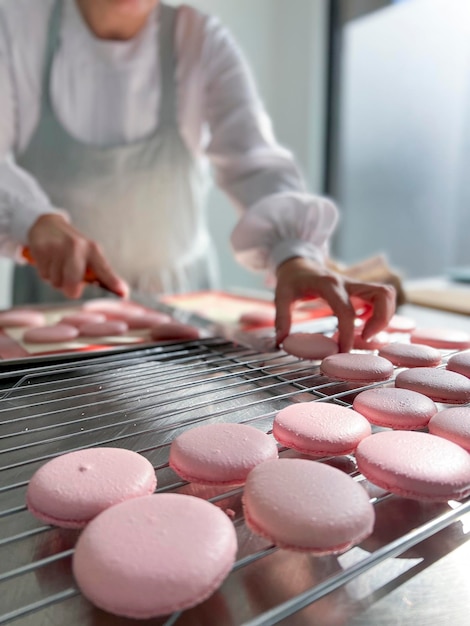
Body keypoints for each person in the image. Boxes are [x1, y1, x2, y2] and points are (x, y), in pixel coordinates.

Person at [0, 0, 396, 352]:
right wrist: (31, 219)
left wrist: (295, 257)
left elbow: (253, 161)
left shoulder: (200, 40)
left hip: (179, 299)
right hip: (52, 305)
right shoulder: (17, 27)